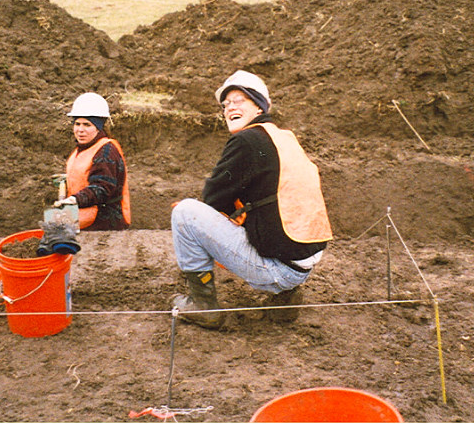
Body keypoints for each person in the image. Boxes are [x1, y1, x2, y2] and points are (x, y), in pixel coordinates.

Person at [171, 70, 332, 329]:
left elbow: (211, 197)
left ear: (258, 105)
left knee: (185, 213)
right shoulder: (283, 137)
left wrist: (221, 214)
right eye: (225, 105)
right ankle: (285, 299)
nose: (228, 108)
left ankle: (203, 305)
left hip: (279, 270)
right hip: (305, 264)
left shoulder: (246, 139)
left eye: (238, 101)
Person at [52, 92, 131, 232]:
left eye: (87, 125)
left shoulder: (106, 152)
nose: (80, 130)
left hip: (105, 223)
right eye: (77, 124)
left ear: (98, 127)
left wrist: (75, 199)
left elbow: (103, 188)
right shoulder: (84, 148)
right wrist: (69, 179)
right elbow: (88, 173)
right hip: (86, 215)